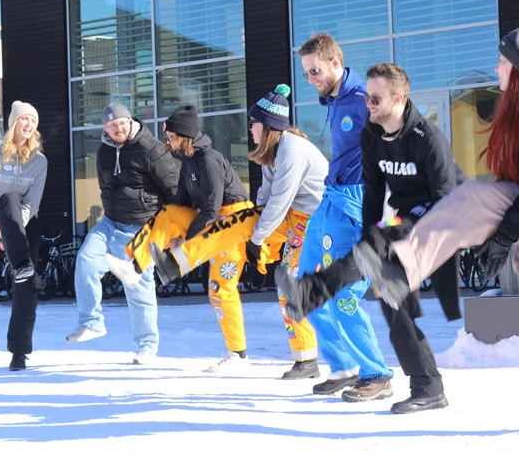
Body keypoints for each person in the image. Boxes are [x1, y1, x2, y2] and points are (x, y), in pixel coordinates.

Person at [342, 17, 519, 369]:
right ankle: (404, 266)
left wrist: (504, 237)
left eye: (502, 61)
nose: (496, 67)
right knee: (470, 196)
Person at [278, 63, 462, 413]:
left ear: (399, 98)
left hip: (433, 222)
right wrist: (368, 239)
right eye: (367, 98)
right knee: (374, 286)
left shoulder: (427, 140)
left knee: (397, 304)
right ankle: (313, 291)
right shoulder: (373, 136)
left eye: (375, 98)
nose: (368, 104)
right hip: (394, 221)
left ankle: (423, 386)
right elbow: (373, 192)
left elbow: (446, 198)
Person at [147, 85, 328, 379]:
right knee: (234, 225)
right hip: (290, 217)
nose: (250, 129)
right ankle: (177, 261)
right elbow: (266, 195)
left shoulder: (292, 150)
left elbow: (280, 200)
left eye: (253, 123)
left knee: (289, 285)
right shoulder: (274, 151)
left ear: (267, 126)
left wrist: (257, 239)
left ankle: (307, 360)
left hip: (315, 221)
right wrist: (253, 228)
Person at [106, 104, 252, 373]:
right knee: (169, 212)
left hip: (232, 221)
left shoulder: (209, 159)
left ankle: (238, 355)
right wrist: (173, 234)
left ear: (184, 136)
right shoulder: (188, 164)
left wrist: (187, 239)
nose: (168, 140)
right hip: (210, 221)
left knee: (220, 288)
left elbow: (211, 207)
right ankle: (136, 266)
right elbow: (181, 206)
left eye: (171, 136)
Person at [289, 33, 394, 402]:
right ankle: (345, 365)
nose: (310, 79)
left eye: (315, 71)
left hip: (356, 205)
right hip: (331, 201)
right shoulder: (335, 100)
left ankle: (376, 373)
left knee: (343, 295)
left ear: (335, 63)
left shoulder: (362, 101)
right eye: (305, 73)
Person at [66, 102, 178, 366]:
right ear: (105, 128)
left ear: (130, 121)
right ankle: (92, 322)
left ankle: (147, 346)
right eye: (112, 125)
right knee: (85, 259)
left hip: (142, 225)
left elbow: (174, 189)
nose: (118, 128)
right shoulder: (103, 151)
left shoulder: (152, 149)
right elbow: (104, 185)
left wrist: (172, 230)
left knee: (138, 286)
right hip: (110, 222)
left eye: (122, 123)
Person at [0, 100, 48, 371]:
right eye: (24, 119)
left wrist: (15, 231)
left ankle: (19, 352)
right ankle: (23, 264)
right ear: (14, 123)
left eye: (33, 121)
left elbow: (32, 204)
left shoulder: (39, 162)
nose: (29, 124)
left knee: (26, 288)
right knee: (9, 197)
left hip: (25, 224)